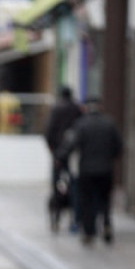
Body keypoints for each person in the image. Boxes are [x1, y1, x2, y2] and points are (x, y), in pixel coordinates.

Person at [57, 97, 122, 245]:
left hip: (86, 170)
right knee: (105, 200)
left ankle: (89, 231)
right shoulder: (110, 123)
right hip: (106, 169)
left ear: (86, 108)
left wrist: (60, 157)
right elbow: (118, 146)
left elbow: (71, 145)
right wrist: (110, 157)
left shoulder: (81, 125)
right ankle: (106, 225)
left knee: (87, 200)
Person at [44, 86, 83, 233]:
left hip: (58, 155)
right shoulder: (77, 109)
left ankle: (56, 219)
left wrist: (53, 151)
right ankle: (75, 220)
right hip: (73, 155)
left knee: (57, 186)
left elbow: (49, 132)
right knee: (74, 185)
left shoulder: (56, 109)